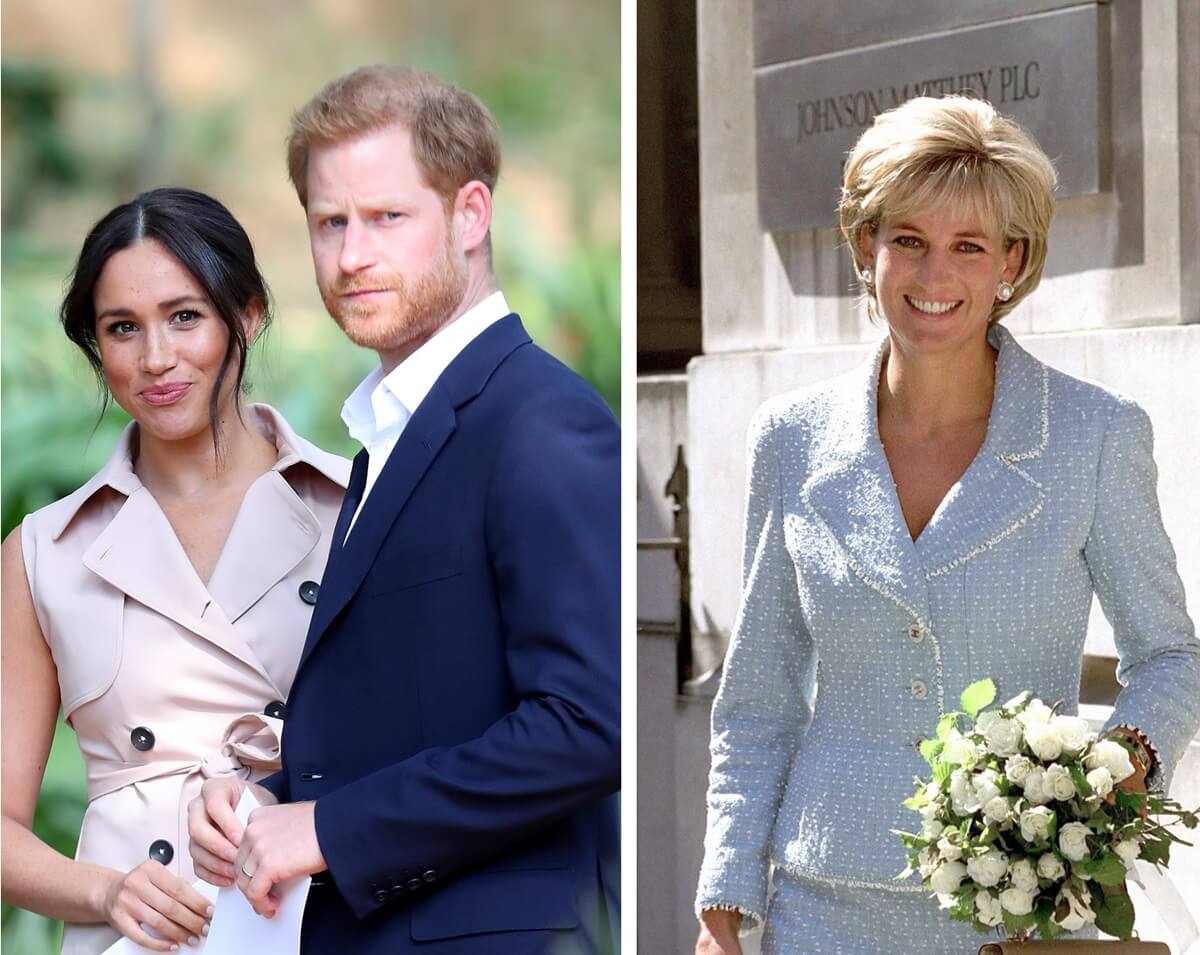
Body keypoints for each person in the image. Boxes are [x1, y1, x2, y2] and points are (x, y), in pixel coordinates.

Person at [693, 95, 1200, 955]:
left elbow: (1170, 658)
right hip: (822, 905)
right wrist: (724, 901)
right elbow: (761, 694)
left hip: (1020, 914)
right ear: (866, 247)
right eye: (909, 241)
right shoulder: (791, 439)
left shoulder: (1094, 435)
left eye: (969, 246)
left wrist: (1095, 789)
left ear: (1013, 260)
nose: (934, 278)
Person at [186, 65, 621, 954]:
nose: (351, 257)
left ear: (469, 215)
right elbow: (415, 708)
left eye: (386, 217)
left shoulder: (541, 422)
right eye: (329, 223)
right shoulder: (388, 433)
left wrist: (330, 828)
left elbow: (590, 723)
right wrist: (273, 806)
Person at [0, 187, 350, 953]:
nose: (156, 358)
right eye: (123, 328)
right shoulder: (43, 552)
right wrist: (108, 888)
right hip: (139, 935)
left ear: (247, 316)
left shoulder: (354, 508)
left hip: (315, 918)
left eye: (184, 316)